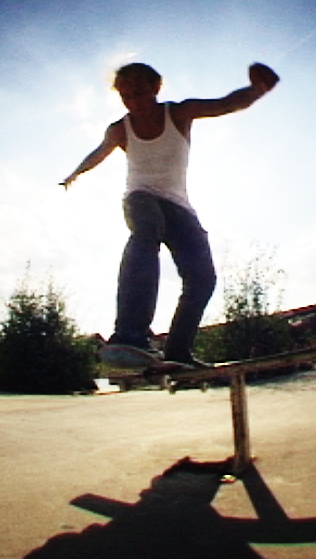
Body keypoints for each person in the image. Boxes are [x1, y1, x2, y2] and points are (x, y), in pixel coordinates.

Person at [61, 62, 279, 367]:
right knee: (147, 228)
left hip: (179, 207)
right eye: (126, 96)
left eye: (139, 93)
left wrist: (257, 91)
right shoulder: (119, 129)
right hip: (140, 197)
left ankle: (178, 349)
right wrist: (76, 172)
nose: (134, 102)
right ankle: (129, 334)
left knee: (203, 278)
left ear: (156, 88)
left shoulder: (179, 113)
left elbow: (225, 104)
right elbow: (98, 152)